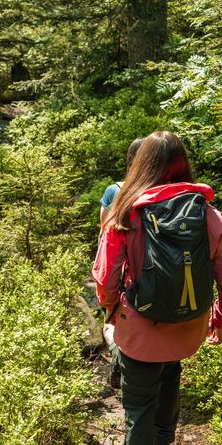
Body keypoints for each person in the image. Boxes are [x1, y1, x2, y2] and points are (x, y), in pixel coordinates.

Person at [92, 131, 222, 445]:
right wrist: (216, 318)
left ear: (141, 165)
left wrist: (111, 309)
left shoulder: (125, 215)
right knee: (168, 382)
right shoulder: (209, 215)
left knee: (139, 411)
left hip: (141, 328)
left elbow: (104, 279)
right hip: (188, 326)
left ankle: (116, 351)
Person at [99, 137, 144, 388]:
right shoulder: (164, 195)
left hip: (122, 275)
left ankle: (119, 360)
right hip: (152, 276)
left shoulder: (114, 190)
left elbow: (103, 232)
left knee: (111, 321)